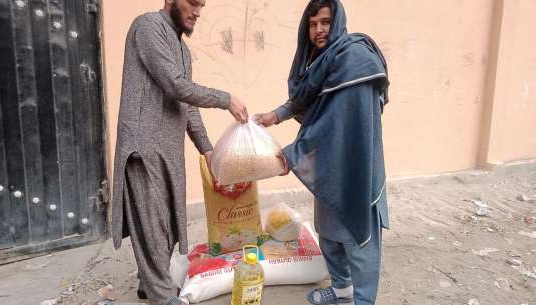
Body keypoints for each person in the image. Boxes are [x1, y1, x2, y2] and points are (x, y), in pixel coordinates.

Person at [110, 0, 248, 304]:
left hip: (168, 150)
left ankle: (149, 285)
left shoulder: (182, 49)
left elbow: (185, 102)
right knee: (152, 226)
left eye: (202, 5)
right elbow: (175, 86)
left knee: (170, 224)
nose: (198, 12)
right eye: (193, 3)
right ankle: (162, 296)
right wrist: (225, 99)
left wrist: (207, 148)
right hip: (143, 147)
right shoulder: (147, 26)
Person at [255, 1, 390, 304]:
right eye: (313, 23)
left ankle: (363, 300)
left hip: (356, 159)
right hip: (330, 159)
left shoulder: (355, 58)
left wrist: (293, 154)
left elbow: (334, 120)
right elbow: (305, 100)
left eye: (325, 22)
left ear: (338, 21)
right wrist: (273, 116)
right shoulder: (321, 61)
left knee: (358, 234)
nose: (318, 30)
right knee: (328, 230)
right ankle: (342, 288)